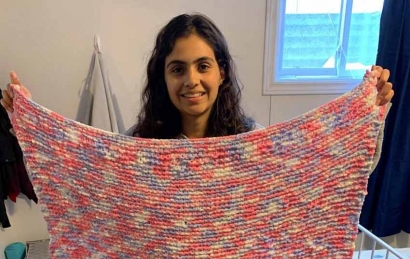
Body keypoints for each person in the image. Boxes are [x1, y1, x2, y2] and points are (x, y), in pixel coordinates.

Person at [1, 13, 394, 139]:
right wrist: (31, 127)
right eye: (177, 69)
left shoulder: (251, 140)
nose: (191, 80)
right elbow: (81, 182)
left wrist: (367, 122)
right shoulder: (139, 146)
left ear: (222, 72)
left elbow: (321, 172)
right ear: (163, 78)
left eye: (203, 66)